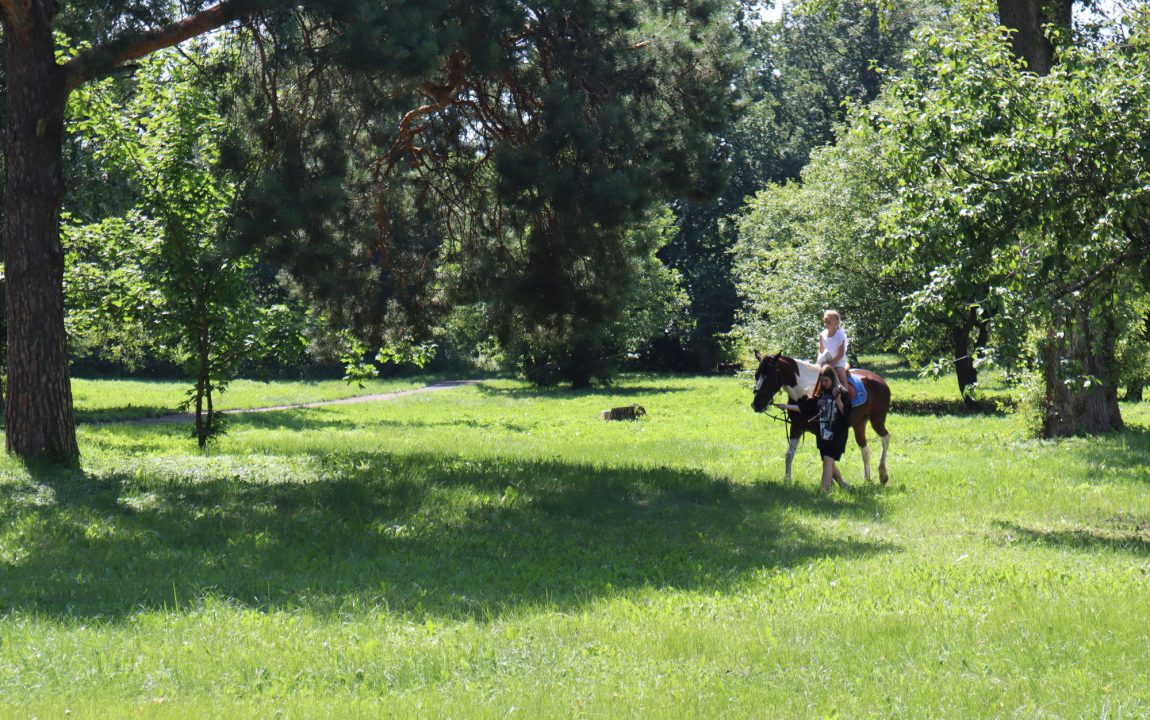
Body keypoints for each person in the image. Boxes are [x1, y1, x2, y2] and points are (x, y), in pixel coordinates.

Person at [775, 365, 851, 493]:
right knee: (829, 462)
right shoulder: (819, 395)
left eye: (826, 380)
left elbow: (847, 415)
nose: (824, 383)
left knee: (827, 461)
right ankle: (843, 485)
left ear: (832, 379)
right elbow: (805, 407)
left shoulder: (841, 393)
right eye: (822, 380)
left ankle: (824, 491)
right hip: (823, 433)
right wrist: (786, 406)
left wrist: (838, 400)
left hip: (837, 433)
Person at [817, 309, 853, 400]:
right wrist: (821, 361)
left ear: (836, 322)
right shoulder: (822, 335)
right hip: (825, 362)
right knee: (815, 375)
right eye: (825, 321)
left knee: (841, 376)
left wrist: (831, 363)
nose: (826, 324)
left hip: (837, 362)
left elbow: (841, 354)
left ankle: (846, 398)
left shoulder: (840, 335)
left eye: (828, 321)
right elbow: (821, 351)